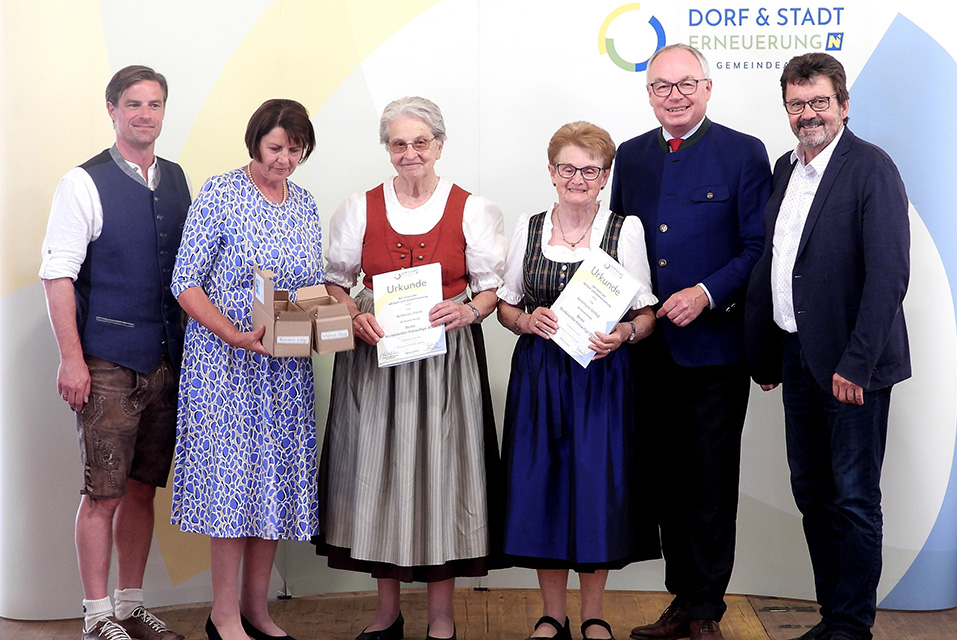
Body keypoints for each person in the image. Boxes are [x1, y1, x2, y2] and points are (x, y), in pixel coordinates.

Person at [312, 96, 506, 640]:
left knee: (444, 478)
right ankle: (386, 611)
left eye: (421, 141)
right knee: (377, 476)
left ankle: (442, 614)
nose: (410, 152)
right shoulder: (360, 206)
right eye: (399, 143)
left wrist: (466, 309)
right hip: (377, 361)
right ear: (387, 149)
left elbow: (491, 289)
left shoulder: (472, 208)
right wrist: (352, 314)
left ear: (439, 145)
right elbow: (336, 278)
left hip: (445, 362)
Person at [744, 53, 910, 640]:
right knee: (813, 493)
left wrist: (856, 365)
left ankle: (852, 626)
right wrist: (767, 355)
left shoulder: (871, 168)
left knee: (855, 498)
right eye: (797, 103)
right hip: (797, 357)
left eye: (819, 102)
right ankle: (832, 616)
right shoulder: (784, 171)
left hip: (851, 367)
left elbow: (889, 275)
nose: (807, 113)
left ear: (843, 105)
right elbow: (775, 265)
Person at [609, 44, 771, 640]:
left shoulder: (743, 152)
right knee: (666, 481)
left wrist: (706, 292)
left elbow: (758, 248)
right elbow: (620, 250)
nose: (673, 96)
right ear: (648, 93)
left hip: (715, 350)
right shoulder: (630, 156)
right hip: (649, 350)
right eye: (661, 86)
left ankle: (706, 610)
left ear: (707, 87)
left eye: (685, 84)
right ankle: (682, 601)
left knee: (708, 481)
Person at [39, 65, 190, 640]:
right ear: (112, 110)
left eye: (154, 104)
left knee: (141, 488)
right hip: (105, 359)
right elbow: (58, 275)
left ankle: (129, 605)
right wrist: (71, 359)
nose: (144, 114)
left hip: (162, 361)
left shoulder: (176, 179)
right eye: (133, 104)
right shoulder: (83, 182)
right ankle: (96, 615)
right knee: (101, 492)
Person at [497, 121, 660, 640]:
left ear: (605, 175)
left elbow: (647, 313)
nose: (579, 178)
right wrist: (524, 320)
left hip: (601, 378)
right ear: (551, 172)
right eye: (569, 168)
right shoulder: (528, 225)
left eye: (591, 170)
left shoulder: (624, 229)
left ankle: (592, 614)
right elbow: (505, 303)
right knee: (542, 486)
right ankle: (553, 614)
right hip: (541, 377)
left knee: (596, 489)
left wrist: (626, 336)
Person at [170, 98, 320, 640]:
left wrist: (328, 318)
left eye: (295, 149)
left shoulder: (304, 203)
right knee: (231, 489)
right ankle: (224, 615)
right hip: (224, 365)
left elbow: (311, 287)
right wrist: (232, 333)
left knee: (272, 486)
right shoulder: (220, 193)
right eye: (276, 147)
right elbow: (184, 283)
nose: (285, 159)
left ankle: (257, 610)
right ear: (255, 141)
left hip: (284, 370)